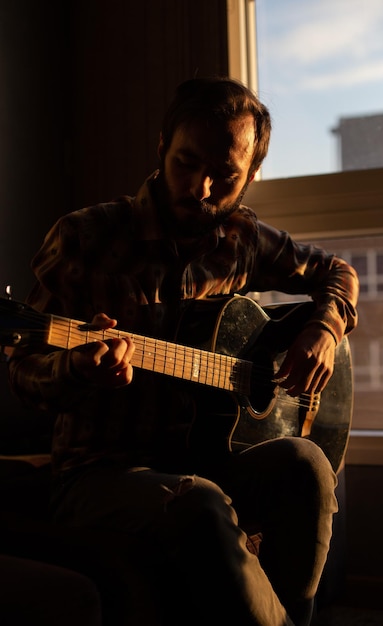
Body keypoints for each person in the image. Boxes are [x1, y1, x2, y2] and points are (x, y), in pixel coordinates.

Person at [8, 77, 359, 626]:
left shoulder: (243, 239)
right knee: (197, 501)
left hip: (207, 456)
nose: (200, 189)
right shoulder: (84, 237)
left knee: (308, 464)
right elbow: (22, 371)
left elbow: (337, 273)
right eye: (186, 162)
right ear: (161, 147)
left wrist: (327, 328)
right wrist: (75, 371)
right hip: (98, 473)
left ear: (249, 176)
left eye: (224, 176)